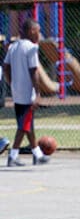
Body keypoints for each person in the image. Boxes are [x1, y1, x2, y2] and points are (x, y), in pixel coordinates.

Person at [3, 18, 50, 167]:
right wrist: (38, 93)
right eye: (38, 31)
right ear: (31, 31)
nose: (39, 35)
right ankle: (13, 155)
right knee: (24, 125)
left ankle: (37, 154)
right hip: (27, 92)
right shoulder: (31, 48)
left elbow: (5, 66)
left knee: (28, 123)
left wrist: (11, 82)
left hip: (17, 91)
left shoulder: (14, 46)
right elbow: (34, 71)